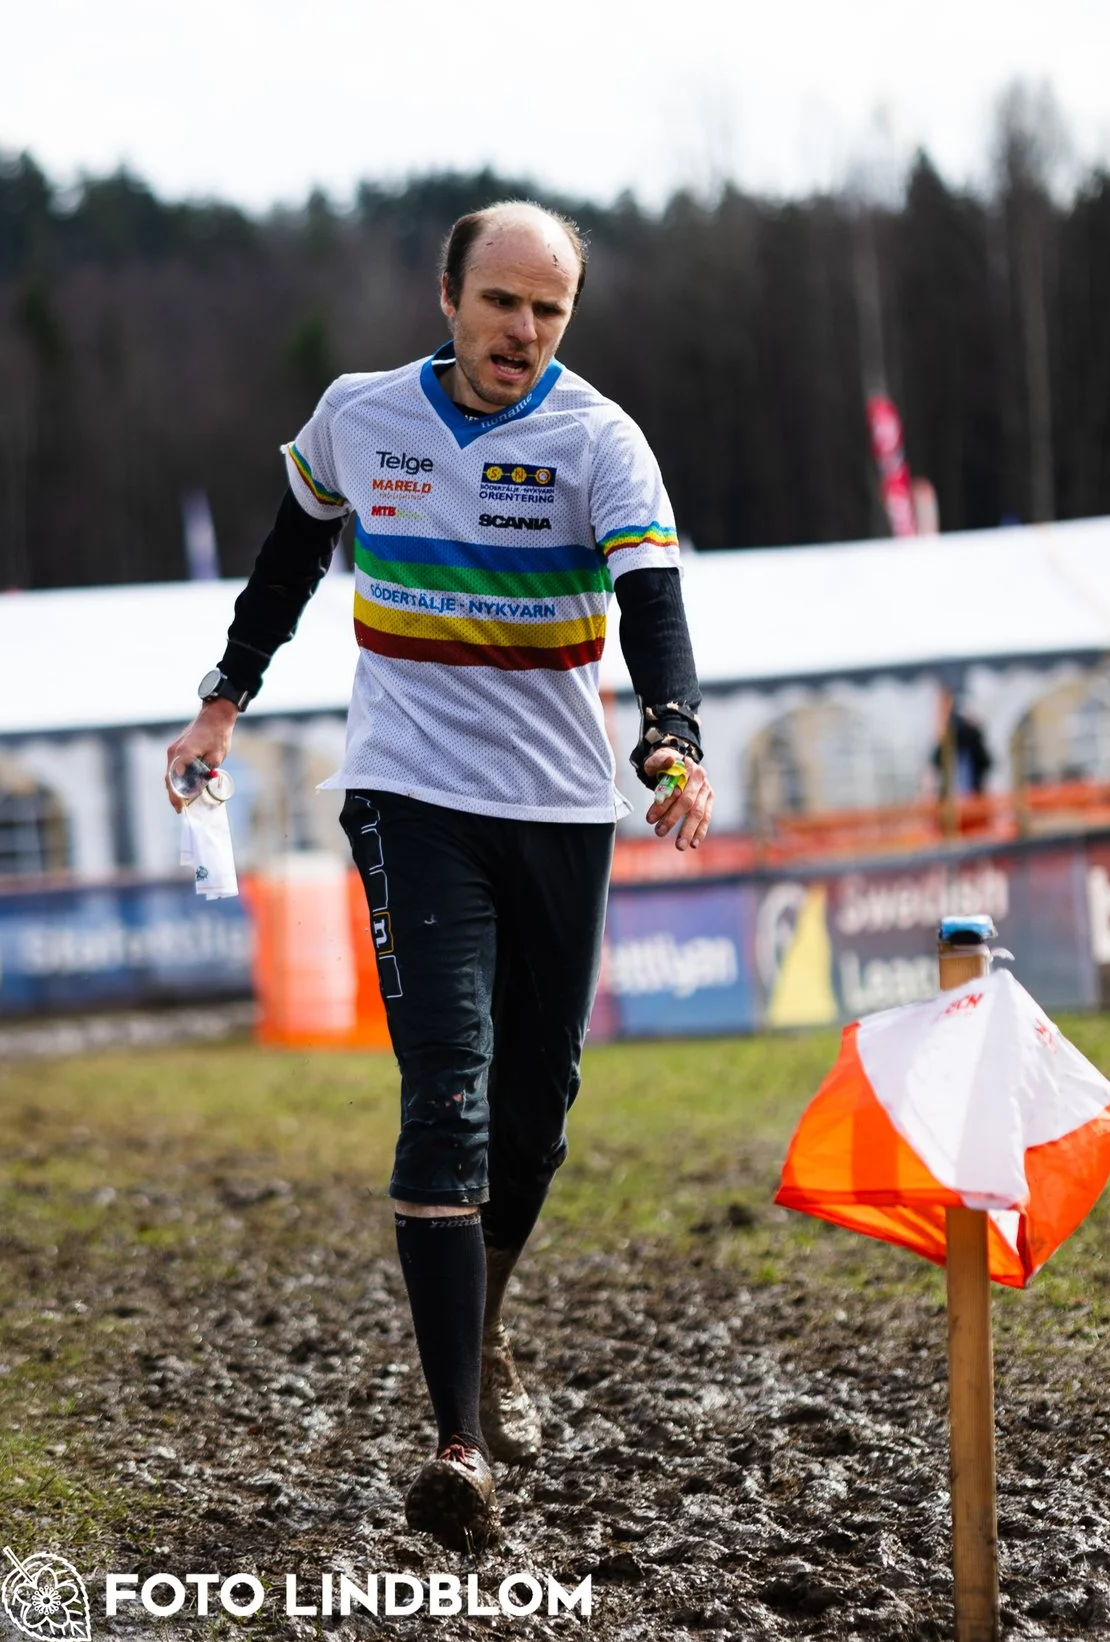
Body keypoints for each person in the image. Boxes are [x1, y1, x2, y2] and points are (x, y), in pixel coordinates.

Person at [164, 201, 712, 1548]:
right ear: (448, 294)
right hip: (410, 801)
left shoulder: (602, 440)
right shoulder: (360, 416)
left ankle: (491, 1319)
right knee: (446, 1094)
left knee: (535, 1111)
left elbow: (655, 604)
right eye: (502, 303)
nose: (522, 332)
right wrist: (224, 698)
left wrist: (672, 728)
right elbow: (291, 554)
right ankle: (459, 1438)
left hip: (559, 809)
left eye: (549, 312)